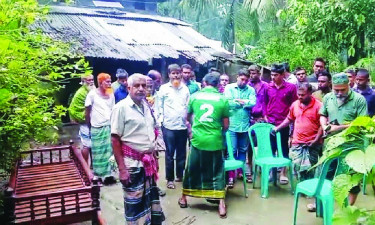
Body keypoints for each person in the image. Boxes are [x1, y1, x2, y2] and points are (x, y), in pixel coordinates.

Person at [308, 73, 368, 211]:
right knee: (325, 173)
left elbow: (361, 123)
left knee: (350, 178)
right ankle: (320, 206)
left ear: (349, 85)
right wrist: (324, 126)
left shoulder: (359, 100)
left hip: (352, 146)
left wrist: (338, 127)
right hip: (331, 144)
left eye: (343, 90)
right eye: (336, 90)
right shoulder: (328, 97)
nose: (339, 93)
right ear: (332, 87)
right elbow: (322, 115)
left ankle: (346, 209)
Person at [111, 74, 165, 225]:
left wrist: (155, 157)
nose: (141, 89)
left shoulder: (146, 105)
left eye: (144, 86)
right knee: (134, 202)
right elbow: (115, 139)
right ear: (129, 88)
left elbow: (152, 133)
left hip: (148, 163)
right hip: (131, 164)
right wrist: (122, 169)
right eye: (137, 86)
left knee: (150, 198)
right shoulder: (121, 108)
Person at [178, 73, 229, 218]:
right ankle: (221, 204)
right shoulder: (223, 99)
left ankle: (183, 198)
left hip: (198, 140)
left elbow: (186, 118)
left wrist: (192, 130)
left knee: (192, 168)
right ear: (218, 84)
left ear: (204, 82)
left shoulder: (194, 97)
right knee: (217, 171)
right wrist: (217, 132)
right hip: (215, 141)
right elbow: (226, 125)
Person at [274, 83, 322, 181]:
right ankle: (302, 187)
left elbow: (322, 125)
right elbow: (289, 118)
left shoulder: (319, 106)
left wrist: (316, 140)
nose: (300, 97)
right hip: (297, 142)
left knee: (310, 168)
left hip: (312, 142)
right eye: (298, 94)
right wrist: (278, 128)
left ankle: (309, 190)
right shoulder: (295, 104)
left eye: (302, 95)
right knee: (297, 166)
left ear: (310, 93)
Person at [156, 64, 190, 189]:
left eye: (177, 73)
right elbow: (159, 106)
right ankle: (170, 179)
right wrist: (160, 122)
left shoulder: (185, 89)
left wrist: (188, 122)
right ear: (169, 75)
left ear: (181, 74)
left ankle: (179, 175)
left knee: (182, 153)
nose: (175, 75)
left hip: (182, 126)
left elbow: (188, 106)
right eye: (173, 73)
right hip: (168, 126)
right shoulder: (164, 89)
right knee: (169, 154)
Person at [265, 63, 298, 184]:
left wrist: (291, 125)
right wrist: (266, 118)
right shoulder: (268, 87)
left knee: (284, 148)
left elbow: (294, 106)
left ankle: (283, 173)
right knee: (271, 148)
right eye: (272, 75)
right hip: (270, 123)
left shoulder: (291, 88)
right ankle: (271, 171)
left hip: (284, 123)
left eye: (276, 75)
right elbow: (265, 104)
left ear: (283, 75)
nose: (273, 77)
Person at [224, 69, 256, 187]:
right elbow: (228, 103)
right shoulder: (229, 88)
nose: (244, 82)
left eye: (246, 80)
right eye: (242, 79)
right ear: (237, 77)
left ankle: (240, 172)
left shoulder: (251, 89)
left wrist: (238, 101)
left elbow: (253, 103)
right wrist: (242, 103)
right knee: (231, 151)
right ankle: (231, 176)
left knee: (243, 150)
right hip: (232, 125)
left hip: (245, 126)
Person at [85, 73, 115, 184]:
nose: (109, 83)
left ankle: (109, 175)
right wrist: (89, 125)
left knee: (110, 151)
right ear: (100, 83)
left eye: (110, 81)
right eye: (107, 81)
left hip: (109, 126)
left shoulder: (111, 93)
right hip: (97, 127)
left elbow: (113, 108)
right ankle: (98, 175)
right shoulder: (92, 94)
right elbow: (87, 111)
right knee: (98, 153)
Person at [248, 65, 268, 183]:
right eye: (250, 73)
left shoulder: (265, 86)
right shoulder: (247, 86)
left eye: (254, 73)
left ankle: (261, 165)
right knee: (249, 144)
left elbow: (267, 102)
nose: (252, 75)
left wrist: (264, 117)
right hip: (249, 118)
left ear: (259, 74)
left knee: (262, 143)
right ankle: (249, 165)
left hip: (261, 118)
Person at [68, 74, 95, 164]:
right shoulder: (81, 92)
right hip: (84, 121)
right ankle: (85, 165)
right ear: (83, 82)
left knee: (92, 144)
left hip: (93, 121)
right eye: (88, 80)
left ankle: (92, 165)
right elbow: (74, 108)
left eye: (92, 80)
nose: (91, 82)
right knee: (86, 144)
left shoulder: (91, 90)